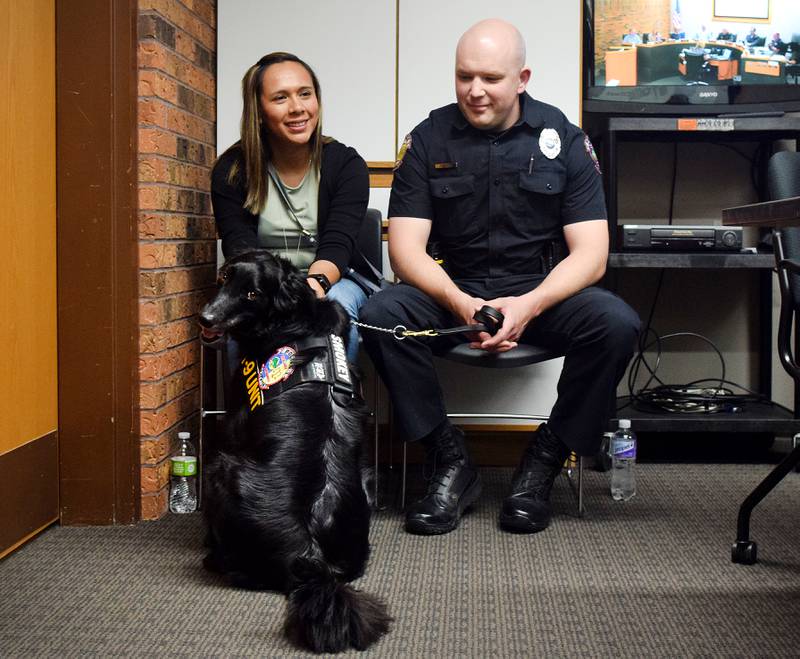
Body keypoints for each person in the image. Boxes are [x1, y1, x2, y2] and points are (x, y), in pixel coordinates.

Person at [360, 19, 640, 536]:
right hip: (451, 294)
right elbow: (405, 252)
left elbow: (592, 255)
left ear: (522, 78)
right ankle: (449, 460)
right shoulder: (427, 140)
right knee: (378, 316)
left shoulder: (564, 139)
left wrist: (528, 304)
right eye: (465, 76)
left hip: (540, 294)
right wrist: (462, 302)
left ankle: (543, 461)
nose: (474, 90)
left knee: (616, 323)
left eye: (490, 77)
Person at [211, 52, 369, 362]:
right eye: (281, 98)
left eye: (305, 94)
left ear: (317, 101)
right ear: (259, 110)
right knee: (244, 316)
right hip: (262, 284)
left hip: (330, 279)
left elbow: (338, 243)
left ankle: (335, 405)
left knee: (336, 306)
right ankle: (254, 409)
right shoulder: (231, 170)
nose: (297, 108)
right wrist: (276, 296)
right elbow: (240, 248)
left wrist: (314, 286)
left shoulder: (346, 165)